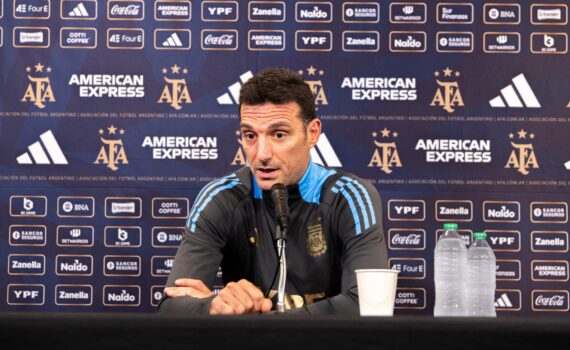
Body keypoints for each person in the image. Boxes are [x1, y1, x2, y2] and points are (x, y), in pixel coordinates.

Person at [158, 68, 388, 315]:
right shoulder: (219, 198)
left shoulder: (350, 197)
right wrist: (212, 305)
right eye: (250, 135)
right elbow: (171, 307)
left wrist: (262, 322)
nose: (262, 154)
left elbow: (369, 305)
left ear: (312, 133)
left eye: (279, 134)